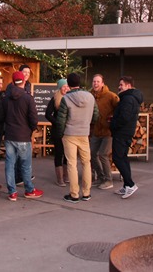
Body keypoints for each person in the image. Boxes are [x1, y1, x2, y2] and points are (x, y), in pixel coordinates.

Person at [56, 73, 99, 203]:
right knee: (86, 163)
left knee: (72, 164)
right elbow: (96, 116)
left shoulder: (66, 99)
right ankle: (86, 193)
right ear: (80, 83)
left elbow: (61, 120)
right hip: (84, 133)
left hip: (69, 134)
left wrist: (59, 134)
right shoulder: (90, 97)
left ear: (68, 84)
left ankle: (74, 194)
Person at [3, 71, 43, 201]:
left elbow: (2, 115)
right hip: (23, 136)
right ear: (24, 81)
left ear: (13, 81)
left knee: (10, 164)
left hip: (9, 135)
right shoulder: (28, 98)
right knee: (26, 165)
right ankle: (29, 190)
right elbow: (34, 119)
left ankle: (12, 192)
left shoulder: (6, 97)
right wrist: (31, 130)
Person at [110, 76, 144, 199]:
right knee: (123, 158)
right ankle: (126, 185)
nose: (119, 87)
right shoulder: (130, 97)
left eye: (121, 85)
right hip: (125, 132)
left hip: (122, 132)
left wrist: (113, 124)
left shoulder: (128, 99)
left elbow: (124, 117)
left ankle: (130, 184)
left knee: (117, 158)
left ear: (128, 86)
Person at [90, 74, 119, 190]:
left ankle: (108, 180)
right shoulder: (90, 95)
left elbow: (120, 108)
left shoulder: (111, 96)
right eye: (94, 81)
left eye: (98, 81)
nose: (95, 83)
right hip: (96, 131)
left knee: (103, 154)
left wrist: (113, 120)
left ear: (102, 83)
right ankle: (101, 178)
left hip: (108, 131)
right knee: (92, 154)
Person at [45, 79, 70, 186]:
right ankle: (60, 178)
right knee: (59, 153)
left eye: (67, 86)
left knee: (68, 154)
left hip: (69, 130)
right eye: (63, 86)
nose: (65, 88)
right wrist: (57, 122)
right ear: (59, 88)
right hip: (58, 131)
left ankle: (66, 176)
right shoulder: (55, 99)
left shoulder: (71, 98)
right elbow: (47, 114)